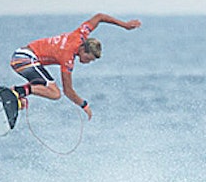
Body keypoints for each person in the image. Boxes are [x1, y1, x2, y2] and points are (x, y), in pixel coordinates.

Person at [9, 13, 141, 119]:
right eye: (88, 59)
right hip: (24, 58)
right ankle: (17, 92)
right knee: (55, 93)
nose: (88, 62)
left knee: (45, 89)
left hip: (22, 57)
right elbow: (68, 91)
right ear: (83, 50)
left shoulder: (80, 34)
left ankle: (17, 94)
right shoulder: (67, 56)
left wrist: (125, 25)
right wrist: (84, 105)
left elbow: (100, 17)